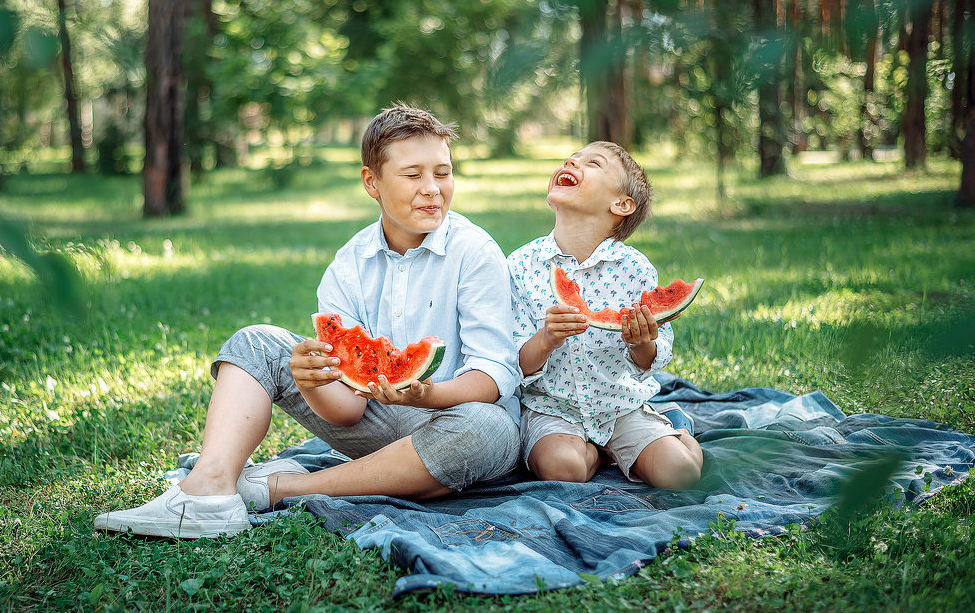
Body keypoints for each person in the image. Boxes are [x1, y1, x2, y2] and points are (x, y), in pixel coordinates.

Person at [95, 105, 522, 539]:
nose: (432, 189)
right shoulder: (348, 266)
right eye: (413, 175)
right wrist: (315, 382)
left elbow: (494, 374)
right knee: (255, 342)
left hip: (454, 421)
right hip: (374, 425)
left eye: (443, 173)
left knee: (486, 427)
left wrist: (424, 395)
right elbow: (349, 410)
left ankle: (282, 488)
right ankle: (210, 488)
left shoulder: (474, 253)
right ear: (371, 182)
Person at [508, 141, 702, 490]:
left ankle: (676, 430)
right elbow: (514, 363)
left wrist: (644, 342)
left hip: (620, 405)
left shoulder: (635, 268)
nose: (572, 161)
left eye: (592, 163)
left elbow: (651, 359)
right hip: (552, 407)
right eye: (571, 158)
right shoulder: (521, 265)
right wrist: (546, 339)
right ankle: (599, 454)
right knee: (562, 468)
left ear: (621, 204)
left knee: (682, 475)